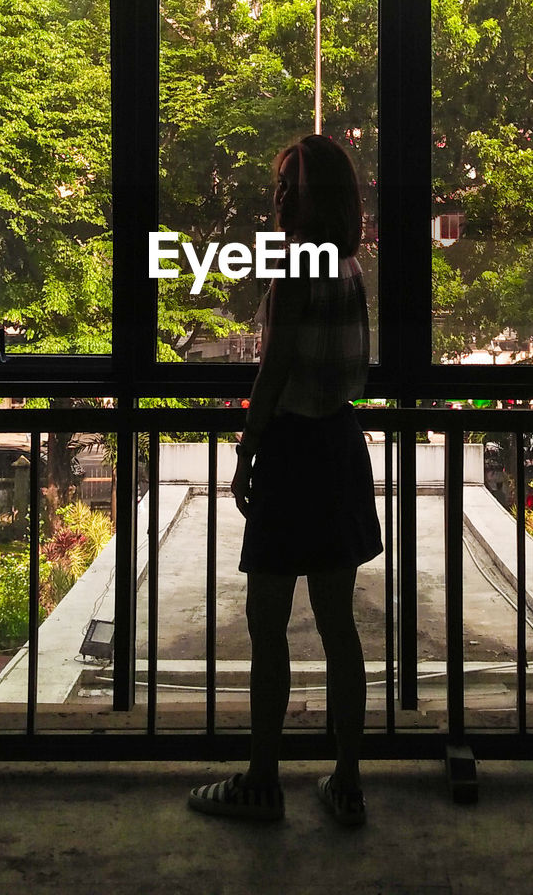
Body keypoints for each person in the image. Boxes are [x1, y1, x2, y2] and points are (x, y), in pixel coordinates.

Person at [188, 134, 382, 827]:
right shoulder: (349, 268)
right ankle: (348, 781)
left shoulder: (298, 265)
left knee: (267, 618)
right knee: (338, 626)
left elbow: (274, 371)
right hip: (338, 445)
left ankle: (263, 780)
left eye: (286, 184)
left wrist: (247, 449)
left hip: (297, 450)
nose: (278, 195)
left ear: (303, 195)